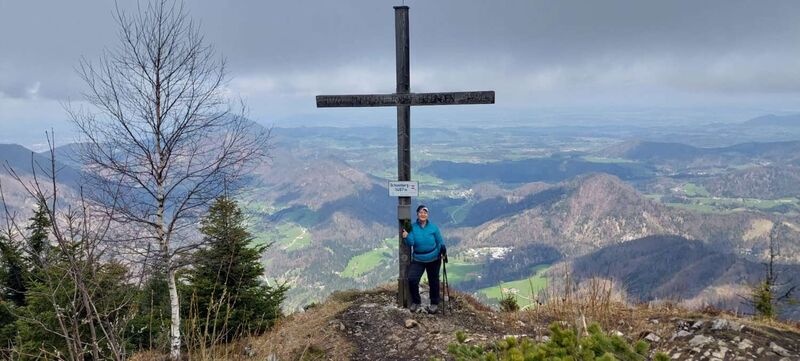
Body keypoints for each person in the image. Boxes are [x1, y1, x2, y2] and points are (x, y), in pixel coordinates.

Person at [402, 205, 447, 314]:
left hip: (434, 258)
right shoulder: (411, 227)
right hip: (418, 258)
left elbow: (440, 241)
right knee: (412, 279)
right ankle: (416, 301)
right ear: (417, 214)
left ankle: (434, 303)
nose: (423, 214)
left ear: (427, 215)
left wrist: (443, 252)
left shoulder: (433, 227)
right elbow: (411, 243)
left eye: (425, 213)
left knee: (434, 281)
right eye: (421, 212)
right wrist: (406, 236)